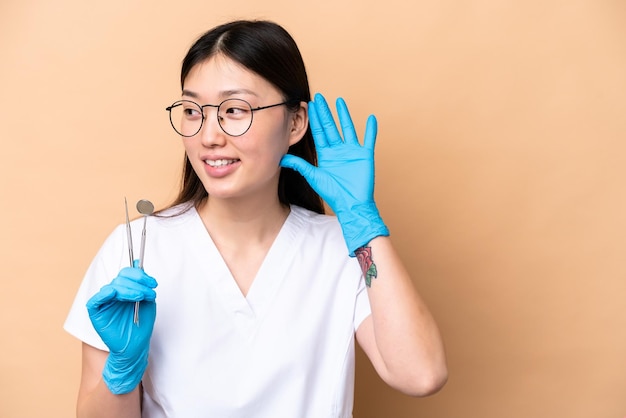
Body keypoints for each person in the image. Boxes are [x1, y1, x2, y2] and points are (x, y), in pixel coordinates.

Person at [64, 19, 447, 418]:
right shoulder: (137, 250)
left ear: (295, 122)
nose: (209, 136)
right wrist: (122, 372)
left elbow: (421, 375)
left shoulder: (343, 247)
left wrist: (362, 222)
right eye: (194, 111)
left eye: (234, 109)